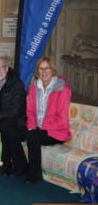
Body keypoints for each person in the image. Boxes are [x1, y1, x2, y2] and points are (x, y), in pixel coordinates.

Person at [25, 56, 72, 184]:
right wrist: (31, 126)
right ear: (37, 71)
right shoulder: (34, 86)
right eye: (41, 68)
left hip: (57, 132)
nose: (44, 72)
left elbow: (62, 120)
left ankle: (35, 175)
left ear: (53, 70)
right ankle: (20, 168)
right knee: (13, 130)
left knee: (33, 136)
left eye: (47, 68)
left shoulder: (63, 89)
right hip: (37, 128)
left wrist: (40, 128)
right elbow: (30, 111)